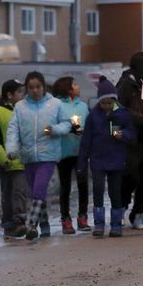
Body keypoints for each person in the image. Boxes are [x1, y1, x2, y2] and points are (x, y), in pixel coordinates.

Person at [5, 72, 72, 240]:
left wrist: (55, 129)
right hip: (28, 156)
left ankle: (31, 225)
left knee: (39, 190)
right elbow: (13, 129)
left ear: (43, 87)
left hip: (48, 155)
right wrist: (12, 149)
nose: (35, 91)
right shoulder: (20, 107)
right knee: (36, 193)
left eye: (38, 87)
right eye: (31, 88)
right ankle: (45, 225)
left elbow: (67, 124)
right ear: (27, 89)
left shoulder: (55, 104)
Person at [78, 77, 135, 237]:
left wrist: (123, 135)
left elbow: (132, 134)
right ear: (99, 101)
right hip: (98, 160)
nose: (106, 106)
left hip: (116, 160)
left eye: (109, 103)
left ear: (115, 101)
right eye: (103, 103)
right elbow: (86, 141)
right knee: (97, 189)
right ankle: (99, 223)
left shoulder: (123, 115)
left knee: (115, 191)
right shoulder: (93, 117)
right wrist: (82, 162)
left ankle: (116, 224)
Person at [0, 79, 28, 239]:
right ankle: (11, 224)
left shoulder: (22, 111)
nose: (23, 96)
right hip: (7, 163)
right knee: (10, 193)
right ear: (9, 95)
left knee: (20, 192)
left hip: (23, 161)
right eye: (19, 92)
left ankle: (20, 222)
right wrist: (4, 159)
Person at [117, 51, 143, 230]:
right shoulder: (126, 84)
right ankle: (122, 207)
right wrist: (139, 119)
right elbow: (120, 110)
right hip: (130, 139)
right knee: (131, 175)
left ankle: (139, 213)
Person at [51, 76, 90, 234]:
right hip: (64, 152)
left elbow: (88, 126)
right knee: (65, 186)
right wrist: (68, 128)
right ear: (67, 89)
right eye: (74, 84)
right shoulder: (57, 105)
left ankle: (83, 217)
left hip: (81, 151)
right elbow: (55, 126)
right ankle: (65, 219)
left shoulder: (83, 106)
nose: (78, 86)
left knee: (83, 185)